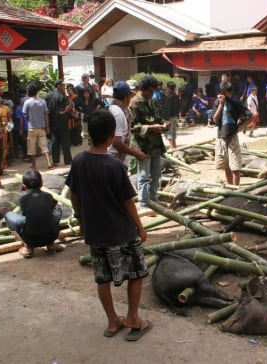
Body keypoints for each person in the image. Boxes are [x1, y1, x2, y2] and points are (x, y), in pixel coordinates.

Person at [65, 108, 151, 341]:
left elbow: (74, 194)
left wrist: (81, 219)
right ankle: (133, 317)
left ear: (88, 134)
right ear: (112, 135)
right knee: (136, 273)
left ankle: (113, 320)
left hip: (95, 233)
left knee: (102, 277)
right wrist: (140, 227)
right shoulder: (115, 167)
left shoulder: (80, 161)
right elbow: (128, 202)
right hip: (121, 232)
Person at [130, 74, 170, 214]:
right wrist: (152, 128)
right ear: (143, 89)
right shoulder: (134, 103)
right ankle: (143, 203)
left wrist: (165, 124)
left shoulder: (152, 101)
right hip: (143, 146)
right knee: (143, 175)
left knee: (156, 173)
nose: (153, 94)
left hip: (156, 145)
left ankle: (153, 199)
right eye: (151, 91)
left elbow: (159, 117)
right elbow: (133, 127)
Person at [4, 168, 64, 258]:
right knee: (57, 209)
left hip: (31, 239)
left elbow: (28, 217)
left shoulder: (23, 199)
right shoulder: (48, 196)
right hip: (51, 235)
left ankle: (28, 247)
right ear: (41, 183)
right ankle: (51, 244)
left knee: (8, 215)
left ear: (24, 186)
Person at [213, 81, 252, 185]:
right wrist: (221, 105)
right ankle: (231, 188)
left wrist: (242, 127)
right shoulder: (217, 102)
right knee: (226, 167)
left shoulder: (235, 103)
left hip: (232, 139)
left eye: (225, 93)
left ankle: (236, 190)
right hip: (221, 138)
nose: (223, 95)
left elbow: (250, 115)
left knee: (235, 168)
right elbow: (215, 120)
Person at [107, 81, 147, 166]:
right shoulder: (118, 113)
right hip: (115, 159)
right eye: (130, 96)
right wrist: (135, 153)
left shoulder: (117, 109)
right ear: (126, 96)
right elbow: (116, 142)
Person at [22, 83, 53, 170]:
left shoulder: (27, 102)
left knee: (32, 147)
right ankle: (48, 162)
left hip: (31, 127)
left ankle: (34, 165)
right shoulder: (42, 101)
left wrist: (30, 119)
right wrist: (47, 126)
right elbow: (46, 115)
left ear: (29, 92)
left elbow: (25, 115)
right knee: (44, 146)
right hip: (42, 127)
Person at [46, 79, 73, 166]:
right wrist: (67, 109)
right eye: (63, 85)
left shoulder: (48, 95)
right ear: (58, 86)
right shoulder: (62, 96)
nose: (64, 87)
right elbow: (62, 111)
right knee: (65, 142)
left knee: (55, 142)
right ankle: (68, 160)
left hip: (52, 122)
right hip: (61, 121)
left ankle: (55, 161)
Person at [0, 95, 11, 173]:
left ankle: (2, 164)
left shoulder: (5, 108)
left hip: (4, 131)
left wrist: (9, 127)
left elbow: (9, 119)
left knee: (4, 148)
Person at [163, 81, 180, 150]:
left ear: (168, 88)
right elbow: (179, 106)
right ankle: (174, 145)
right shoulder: (176, 96)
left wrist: (166, 118)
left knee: (169, 131)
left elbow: (167, 108)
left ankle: (171, 146)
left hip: (170, 116)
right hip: (175, 116)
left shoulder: (169, 97)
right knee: (174, 130)